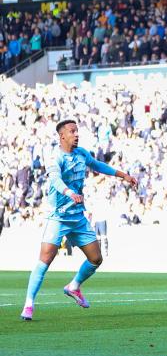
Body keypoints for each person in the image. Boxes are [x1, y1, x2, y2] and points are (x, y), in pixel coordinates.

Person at [20, 120, 139, 321]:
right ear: (62, 136)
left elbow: (97, 165)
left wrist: (122, 175)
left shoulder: (81, 153)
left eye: (77, 131)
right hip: (58, 217)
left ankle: (73, 286)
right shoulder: (55, 157)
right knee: (45, 259)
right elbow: (55, 180)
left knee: (96, 259)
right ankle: (29, 304)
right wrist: (69, 192)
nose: (76, 134)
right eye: (72, 131)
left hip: (77, 217)